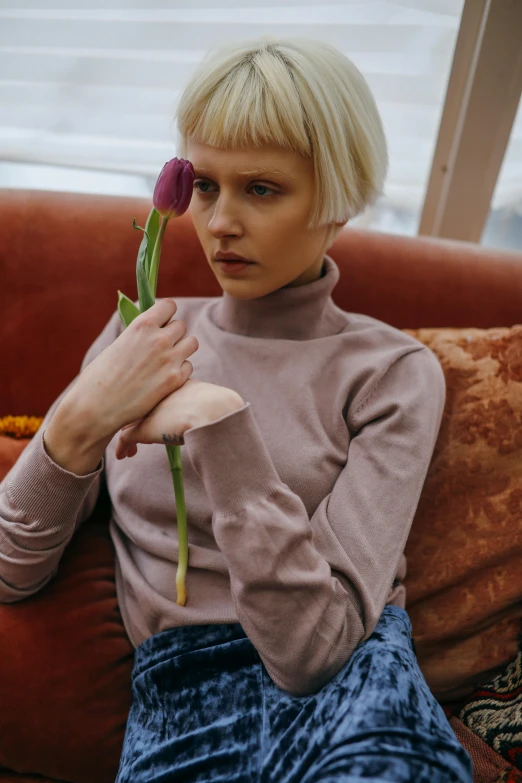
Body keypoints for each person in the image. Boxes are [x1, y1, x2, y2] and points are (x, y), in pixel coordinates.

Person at [0, 36, 473, 783]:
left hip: (353, 699)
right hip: (176, 703)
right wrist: (76, 422)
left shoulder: (391, 372)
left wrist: (219, 422)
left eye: (261, 189)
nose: (220, 222)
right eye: (207, 185)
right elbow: (9, 572)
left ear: (339, 196)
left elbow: (313, 653)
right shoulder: (142, 337)